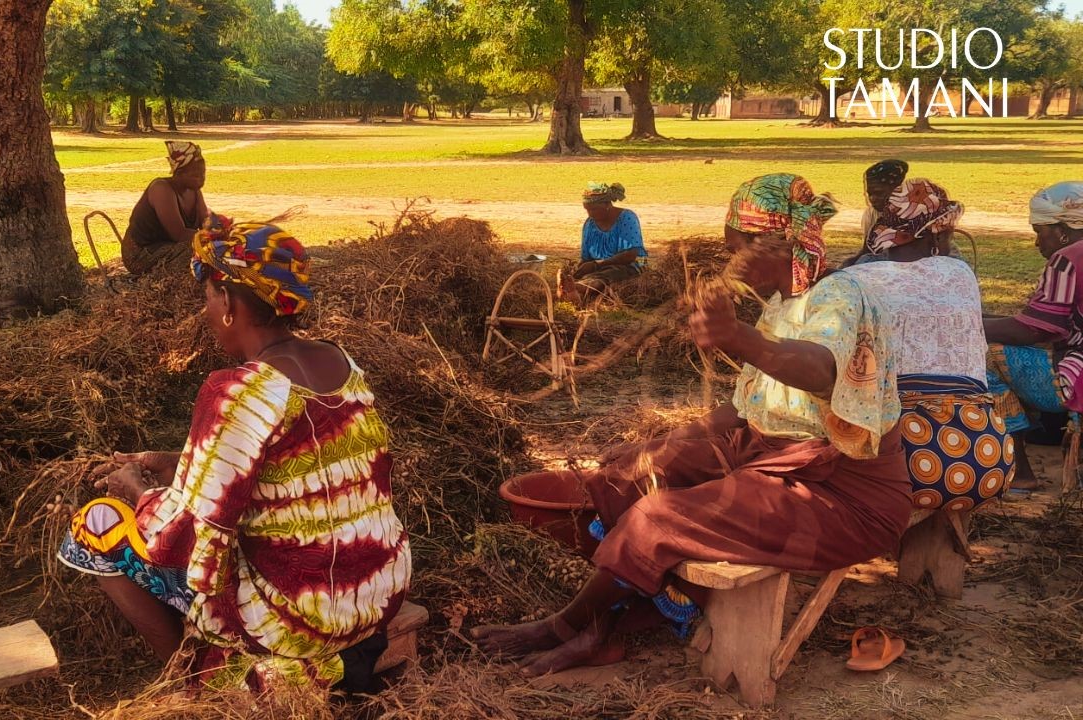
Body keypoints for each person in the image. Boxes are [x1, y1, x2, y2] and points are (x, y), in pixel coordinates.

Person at [474, 174, 909, 676]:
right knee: (626, 475)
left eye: (737, 251)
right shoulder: (780, 305)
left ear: (778, 241)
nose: (733, 267)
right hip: (774, 457)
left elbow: (820, 371)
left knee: (657, 518)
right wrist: (656, 442)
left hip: (845, 494)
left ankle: (568, 627)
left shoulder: (842, 295)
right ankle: (608, 627)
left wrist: (737, 336)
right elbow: (746, 411)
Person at [59, 216, 411, 692]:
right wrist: (177, 462)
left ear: (226, 302)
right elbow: (288, 467)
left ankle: (193, 685)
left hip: (300, 618)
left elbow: (178, 540)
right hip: (376, 591)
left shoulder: (237, 390)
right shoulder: (341, 362)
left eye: (207, 297)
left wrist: (137, 489)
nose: (205, 310)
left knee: (94, 525)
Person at [838, 179, 1014, 511]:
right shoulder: (960, 274)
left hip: (905, 462)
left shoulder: (854, 282)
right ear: (939, 234)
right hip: (987, 458)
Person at [984, 182, 1083, 494]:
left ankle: (1019, 470)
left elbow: (1038, 328)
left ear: (1062, 230)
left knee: (983, 355)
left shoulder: (1068, 259)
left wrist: (965, 324)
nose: (1037, 242)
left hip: (1076, 377)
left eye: (1040, 231)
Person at [843, 160, 964, 267]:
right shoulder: (873, 216)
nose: (873, 198)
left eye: (879, 193)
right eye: (870, 194)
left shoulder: (922, 214)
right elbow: (868, 250)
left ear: (898, 191)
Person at [121, 141, 210, 276]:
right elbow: (179, 234)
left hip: (168, 247)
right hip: (141, 254)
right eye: (195, 175)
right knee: (202, 251)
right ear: (179, 173)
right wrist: (212, 238)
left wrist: (225, 230)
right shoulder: (161, 189)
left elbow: (206, 221)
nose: (202, 179)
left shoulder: (194, 190)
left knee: (212, 249)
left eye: (203, 173)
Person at [558, 182, 648, 304]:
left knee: (609, 274)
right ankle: (569, 286)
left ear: (607, 204)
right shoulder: (589, 224)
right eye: (587, 209)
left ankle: (580, 288)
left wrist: (597, 264)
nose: (590, 214)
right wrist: (580, 269)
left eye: (594, 209)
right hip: (599, 267)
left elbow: (631, 255)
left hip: (632, 265)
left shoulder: (627, 218)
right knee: (580, 273)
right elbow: (586, 259)